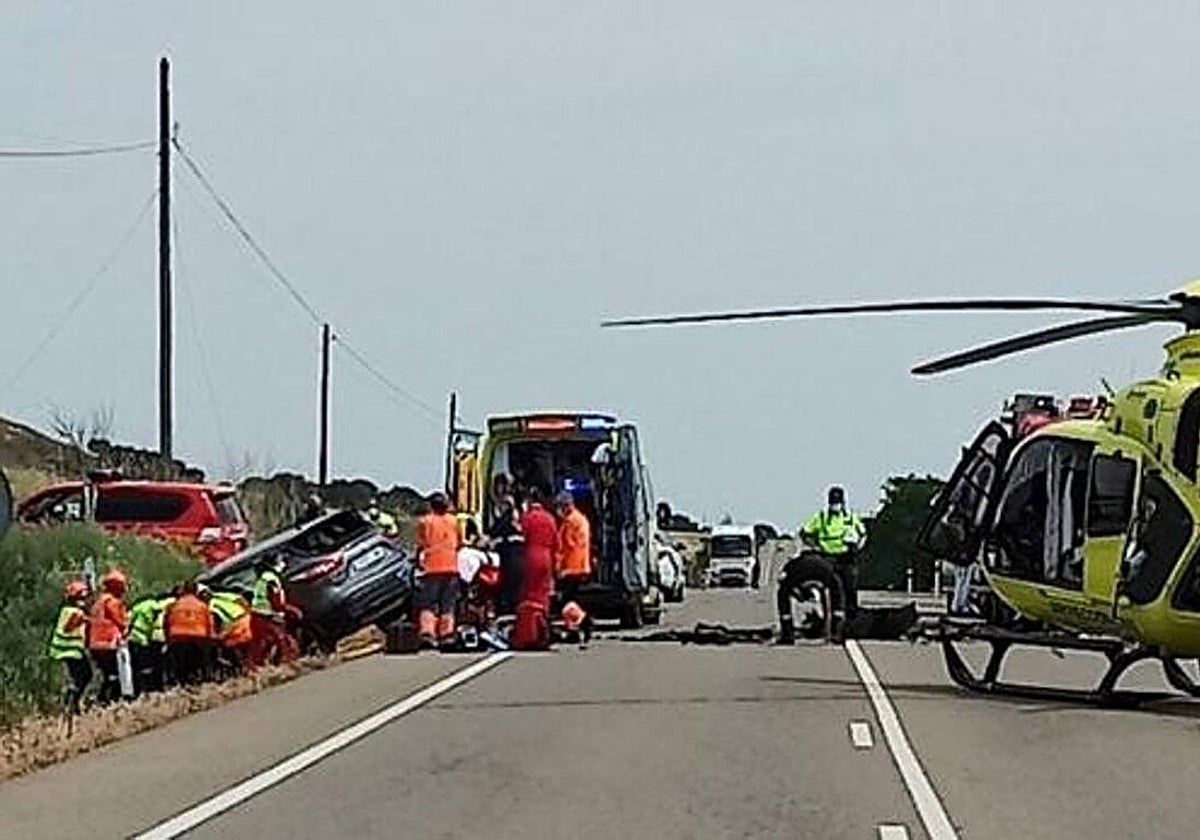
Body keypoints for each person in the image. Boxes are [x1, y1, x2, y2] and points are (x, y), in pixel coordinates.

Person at [778, 486, 867, 643]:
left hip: (846, 557)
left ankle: (850, 622)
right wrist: (814, 545)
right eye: (833, 502)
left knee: (850, 586)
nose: (835, 505)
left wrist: (857, 546)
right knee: (834, 587)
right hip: (826, 557)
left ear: (843, 502)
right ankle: (833, 627)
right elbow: (805, 532)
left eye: (837, 502)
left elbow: (863, 535)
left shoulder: (851, 519)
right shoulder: (822, 518)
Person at [415, 492, 461, 649]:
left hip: (432, 568)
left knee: (428, 603)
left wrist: (417, 562)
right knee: (448, 604)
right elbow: (459, 542)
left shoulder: (425, 521)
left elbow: (421, 544)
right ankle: (446, 634)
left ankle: (427, 633)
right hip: (451, 567)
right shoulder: (454, 521)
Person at [87, 568, 129, 704]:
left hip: (95, 644)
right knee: (114, 674)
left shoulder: (98, 602)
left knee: (106, 674)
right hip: (108, 643)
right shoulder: (112, 602)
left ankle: (101, 700)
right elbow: (121, 622)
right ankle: (109, 701)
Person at [49, 580, 91, 714]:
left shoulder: (65, 610)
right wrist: (81, 620)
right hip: (70, 651)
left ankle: (72, 702)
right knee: (85, 675)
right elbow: (69, 627)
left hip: (63, 650)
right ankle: (72, 701)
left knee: (80, 676)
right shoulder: (75, 613)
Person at [249, 554, 297, 666]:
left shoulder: (264, 578)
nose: (282, 564)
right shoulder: (270, 579)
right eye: (278, 561)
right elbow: (276, 601)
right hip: (264, 616)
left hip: (261, 616)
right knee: (280, 641)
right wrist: (290, 610)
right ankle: (288, 665)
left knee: (264, 646)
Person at [486, 474, 524, 616]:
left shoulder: (511, 507)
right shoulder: (516, 506)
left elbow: (502, 525)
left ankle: (508, 610)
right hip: (510, 550)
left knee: (510, 583)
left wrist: (490, 536)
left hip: (511, 551)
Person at [165, 580, 215, 686]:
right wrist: (210, 640)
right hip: (199, 637)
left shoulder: (173, 605)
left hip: (178, 637)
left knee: (181, 666)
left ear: (183, 590)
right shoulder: (202, 605)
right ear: (196, 591)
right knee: (201, 664)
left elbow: (166, 623)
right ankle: (201, 682)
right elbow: (210, 624)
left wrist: (168, 640)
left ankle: (183, 684)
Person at [554, 490, 593, 610]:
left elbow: (565, 545)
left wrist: (560, 568)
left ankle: (576, 622)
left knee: (569, 601)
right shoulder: (581, 518)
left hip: (571, 568)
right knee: (574, 600)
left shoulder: (570, 522)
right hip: (581, 565)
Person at [127, 593, 172, 694]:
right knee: (151, 665)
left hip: (134, 637)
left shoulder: (137, 606)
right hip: (145, 638)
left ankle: (138, 690)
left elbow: (128, 620)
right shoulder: (155, 605)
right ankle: (152, 688)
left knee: (136, 667)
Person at [209, 589, 254, 676]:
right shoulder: (223, 595)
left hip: (236, 630)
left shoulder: (210, 606)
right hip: (247, 621)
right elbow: (242, 601)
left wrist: (218, 636)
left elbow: (215, 628)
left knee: (234, 653)